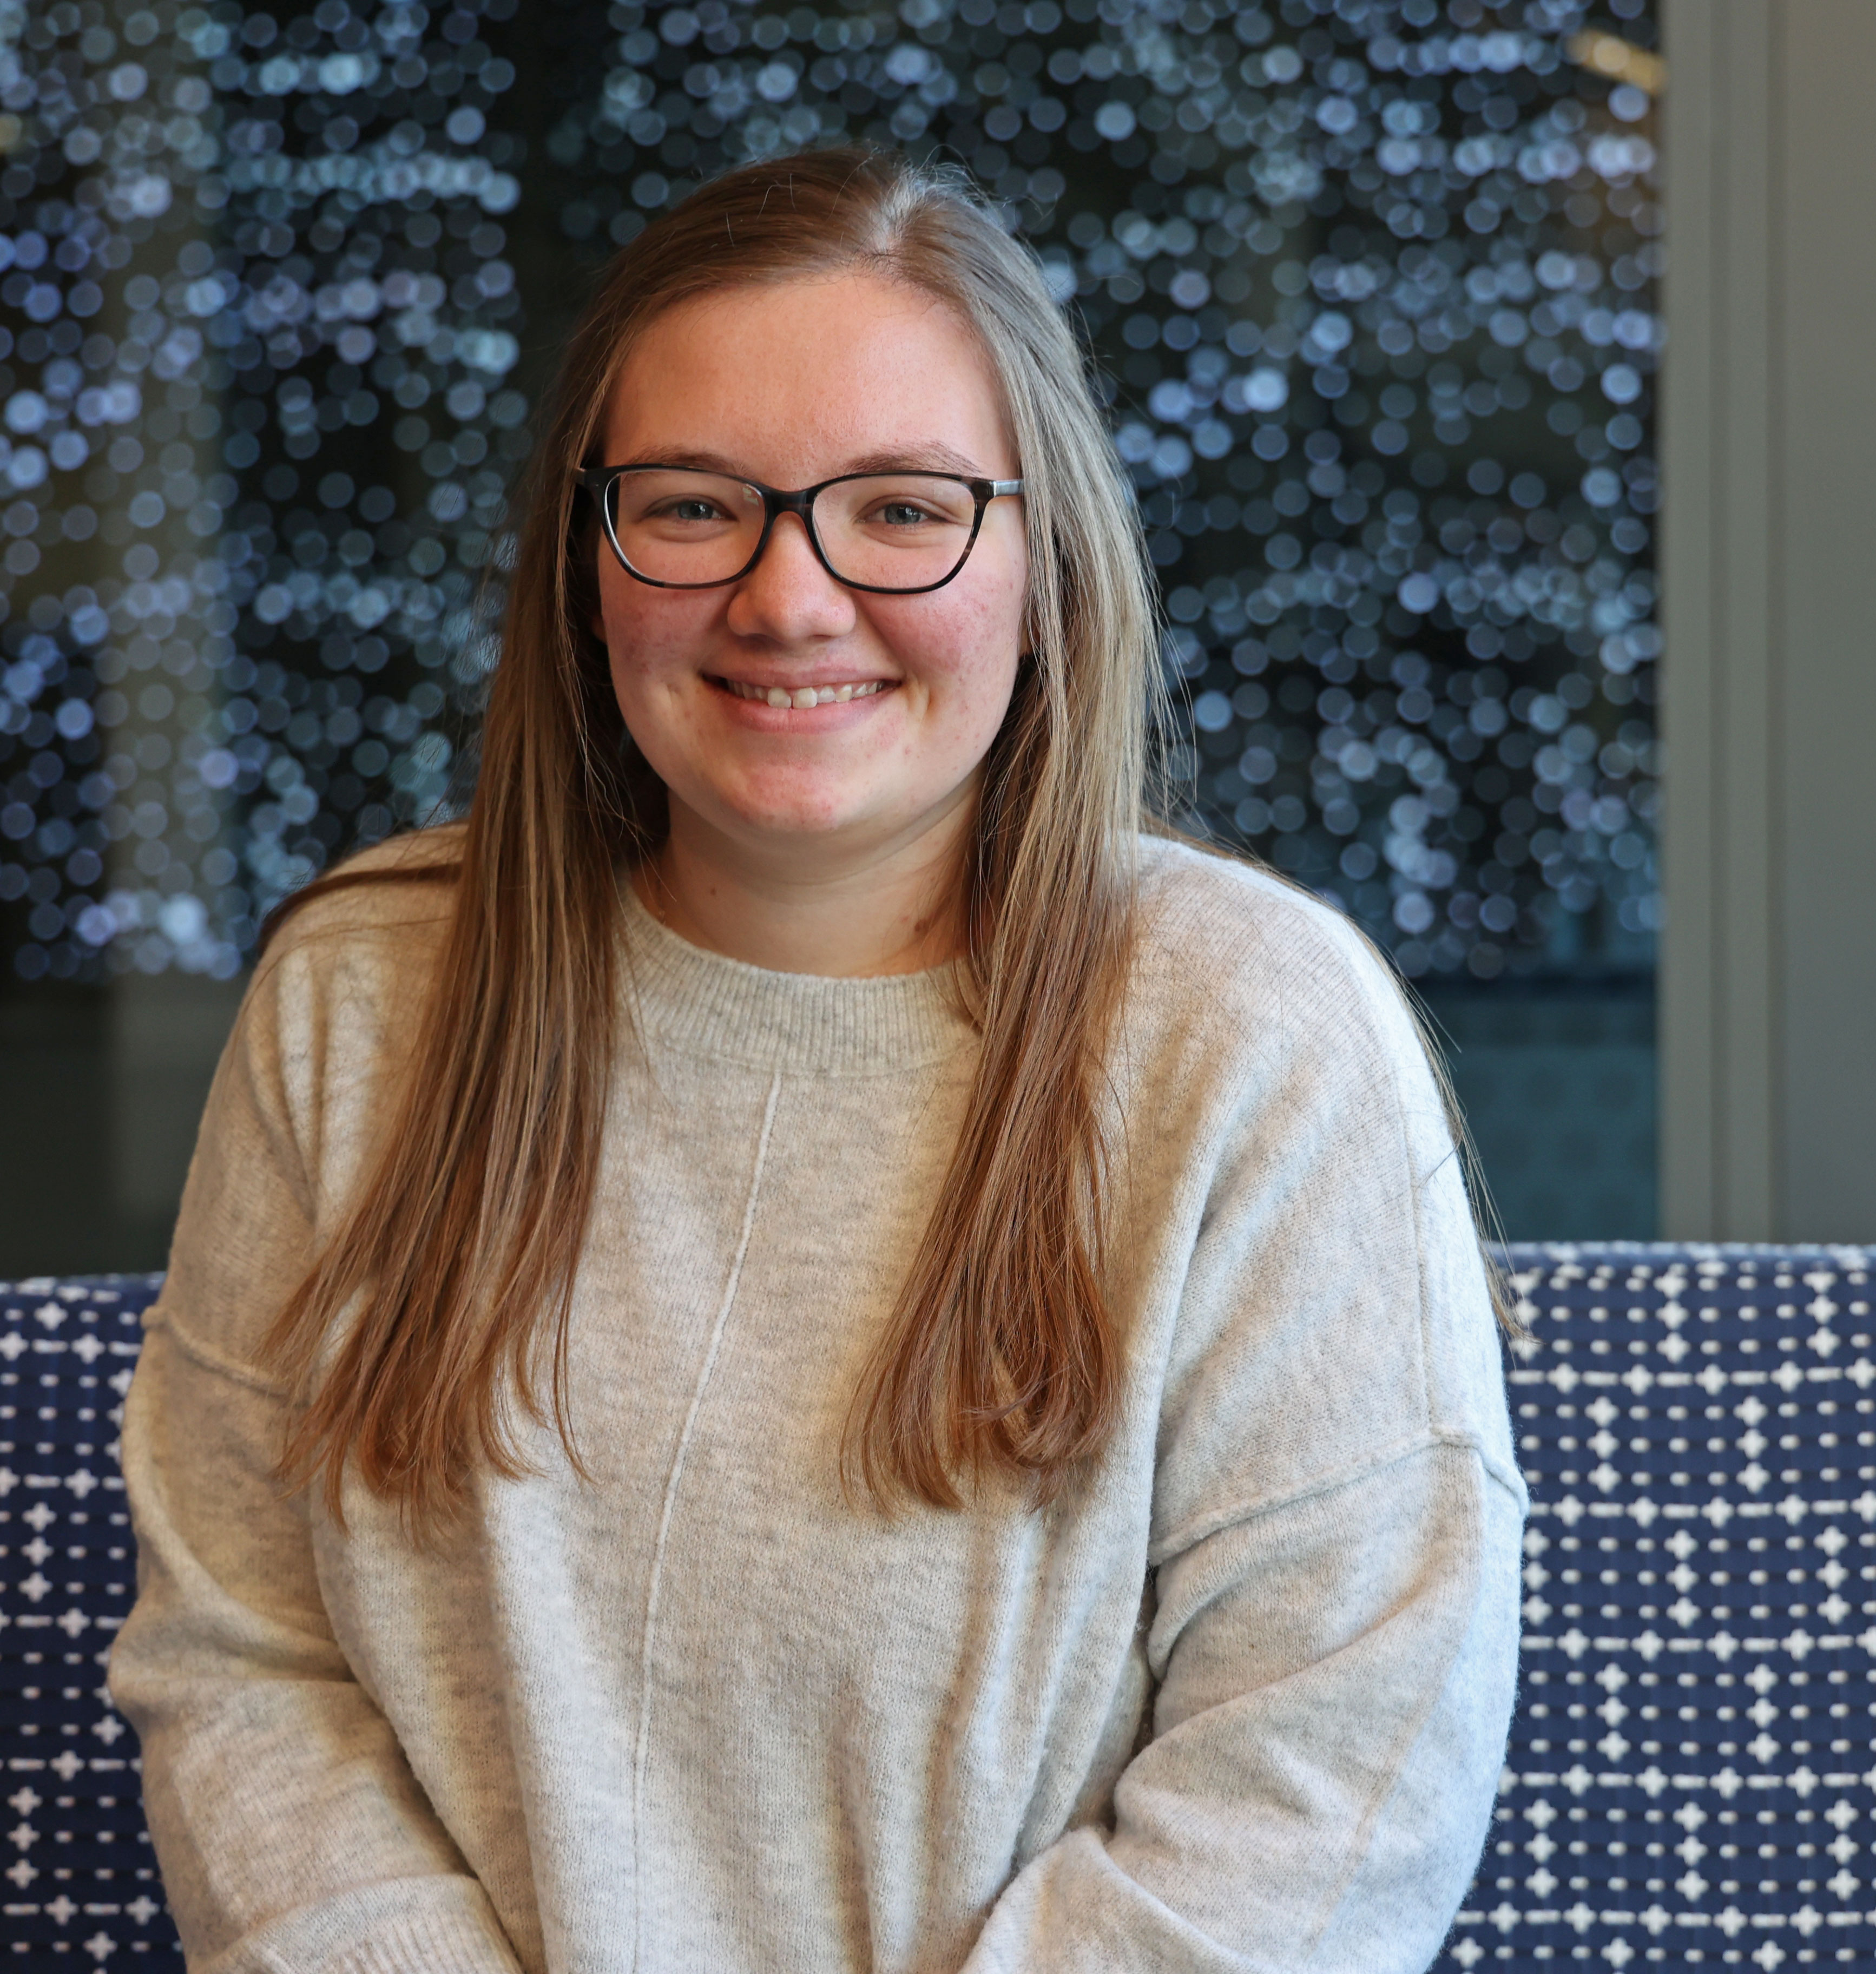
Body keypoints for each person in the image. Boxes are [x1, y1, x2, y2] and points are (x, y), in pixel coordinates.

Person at [108, 147, 1524, 1974]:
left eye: (902, 507)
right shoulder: (357, 1001)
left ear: (1043, 558)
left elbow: (1336, 1761)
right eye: (695, 507)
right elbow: (246, 1662)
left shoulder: (1250, 1030)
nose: (788, 599)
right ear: (584, 554)